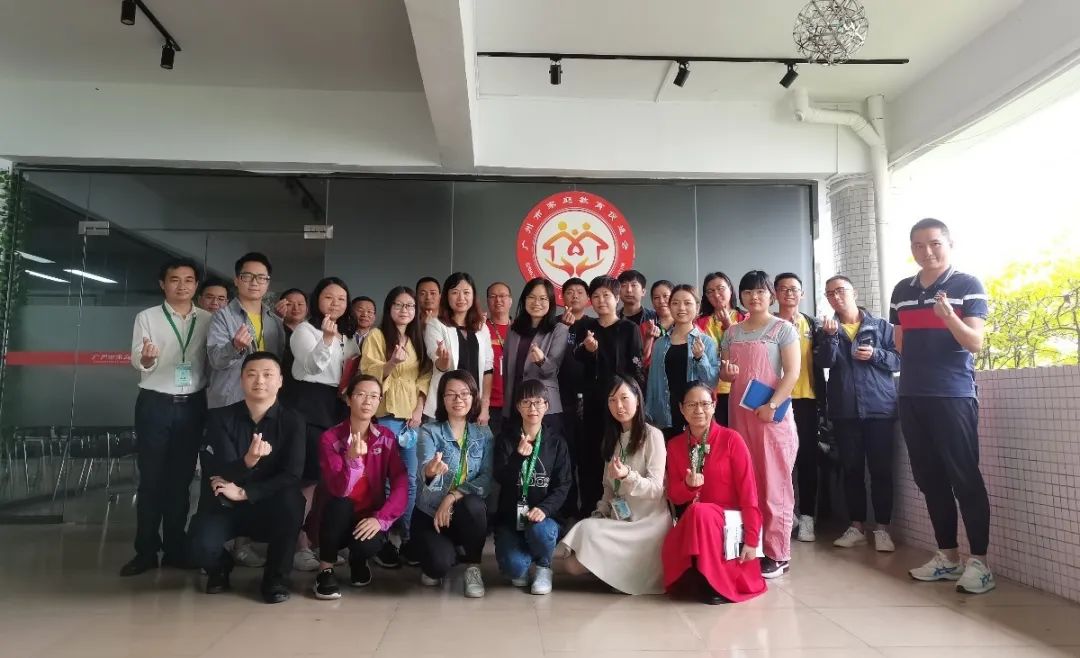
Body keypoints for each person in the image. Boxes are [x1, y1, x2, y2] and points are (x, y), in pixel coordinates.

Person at [890, 218, 994, 594]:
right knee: (929, 478)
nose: (927, 251)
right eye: (918, 245)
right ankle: (948, 557)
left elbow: (975, 343)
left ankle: (979, 564)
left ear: (949, 244)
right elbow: (900, 342)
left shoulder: (967, 285)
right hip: (912, 395)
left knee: (964, 477)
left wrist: (949, 316)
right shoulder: (902, 290)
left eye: (934, 243)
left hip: (953, 395)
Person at [187, 352, 306, 604]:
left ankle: (275, 580)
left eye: (267, 375)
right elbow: (217, 469)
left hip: (270, 505)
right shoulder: (220, 418)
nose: (259, 381)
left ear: (280, 381)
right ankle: (220, 568)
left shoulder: (293, 421)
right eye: (252, 375)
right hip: (226, 506)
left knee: (292, 502)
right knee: (198, 544)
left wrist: (246, 492)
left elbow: (292, 473)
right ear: (241, 380)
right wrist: (248, 461)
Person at [120, 257, 211, 577]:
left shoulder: (207, 319)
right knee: (151, 479)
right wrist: (146, 359)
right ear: (163, 284)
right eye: (174, 279)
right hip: (155, 403)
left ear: (196, 285)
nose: (182, 285)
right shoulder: (147, 317)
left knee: (181, 480)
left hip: (192, 404)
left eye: (188, 280)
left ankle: (175, 548)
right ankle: (145, 551)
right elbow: (138, 359)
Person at [719, 270, 801, 579]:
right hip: (740, 416)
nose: (754, 297)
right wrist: (726, 373)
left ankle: (778, 553)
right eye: (748, 292)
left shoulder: (783, 329)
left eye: (761, 291)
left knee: (774, 485)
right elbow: (725, 374)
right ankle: (752, 546)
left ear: (771, 295)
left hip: (770, 418)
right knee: (745, 482)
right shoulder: (732, 332)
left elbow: (792, 373)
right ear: (740, 296)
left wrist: (772, 405)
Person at [556, 375, 670, 595]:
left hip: (647, 525)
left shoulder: (652, 435)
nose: (619, 406)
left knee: (574, 561)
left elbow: (656, 490)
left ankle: (621, 571)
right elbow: (608, 488)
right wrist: (600, 513)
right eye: (612, 400)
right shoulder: (613, 438)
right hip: (621, 521)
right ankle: (615, 570)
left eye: (624, 398)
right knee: (572, 559)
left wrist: (628, 475)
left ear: (638, 399)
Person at [815, 275, 900, 552]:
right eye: (830, 293)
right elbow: (823, 362)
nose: (836, 297)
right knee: (851, 470)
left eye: (840, 291)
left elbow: (899, 360)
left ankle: (883, 529)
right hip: (845, 410)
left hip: (879, 409)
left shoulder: (881, 326)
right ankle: (857, 527)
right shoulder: (826, 329)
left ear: (854, 292)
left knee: (881, 471)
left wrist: (875, 354)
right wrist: (830, 338)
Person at [662, 382, 766, 604]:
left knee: (700, 513)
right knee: (689, 520)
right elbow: (675, 497)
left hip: (728, 522)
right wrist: (689, 486)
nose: (698, 410)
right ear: (681, 409)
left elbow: (749, 494)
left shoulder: (732, 440)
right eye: (691, 405)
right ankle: (698, 573)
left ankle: (714, 581)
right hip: (696, 522)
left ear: (714, 405)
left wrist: (751, 539)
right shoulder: (675, 446)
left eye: (704, 404)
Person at [312, 374, 408, 600]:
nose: (367, 401)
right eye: (361, 395)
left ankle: (359, 560)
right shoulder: (330, 438)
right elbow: (339, 489)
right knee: (340, 505)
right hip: (335, 517)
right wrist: (352, 459)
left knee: (368, 543)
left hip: (367, 516)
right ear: (348, 399)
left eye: (374, 396)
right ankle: (325, 570)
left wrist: (381, 518)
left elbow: (401, 482)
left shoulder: (386, 437)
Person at [289, 277, 360, 571]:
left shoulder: (348, 336)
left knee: (330, 481)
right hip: (310, 405)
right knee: (308, 478)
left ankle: (319, 541)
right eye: (329, 297)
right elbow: (312, 366)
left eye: (341, 299)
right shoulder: (304, 330)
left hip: (338, 405)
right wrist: (327, 340)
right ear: (317, 299)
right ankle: (296, 545)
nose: (335, 303)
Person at [360, 286, 432, 568]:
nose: (405, 310)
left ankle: (408, 536)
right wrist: (391, 363)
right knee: (386, 481)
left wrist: (419, 409)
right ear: (389, 308)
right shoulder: (377, 336)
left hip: (411, 418)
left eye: (410, 306)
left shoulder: (417, 337)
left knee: (411, 479)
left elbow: (424, 376)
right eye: (399, 305)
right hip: (386, 415)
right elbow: (368, 374)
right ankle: (385, 539)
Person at [413, 370, 495, 597]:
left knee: (474, 505)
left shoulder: (483, 433)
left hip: (463, 514)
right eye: (451, 394)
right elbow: (424, 471)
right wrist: (431, 472)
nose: (458, 399)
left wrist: (452, 496)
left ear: (473, 397)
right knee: (437, 567)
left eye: (464, 393)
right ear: (442, 399)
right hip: (431, 515)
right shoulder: (429, 431)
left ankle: (473, 567)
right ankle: (446, 552)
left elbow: (487, 478)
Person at [573, 275, 645, 515]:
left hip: (621, 404)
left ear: (617, 298)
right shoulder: (585, 327)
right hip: (592, 403)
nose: (601, 300)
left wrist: (635, 401)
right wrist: (588, 350)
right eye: (595, 296)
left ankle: (621, 511)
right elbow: (577, 362)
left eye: (606, 295)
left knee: (619, 453)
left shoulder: (629, 328)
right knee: (590, 456)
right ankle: (591, 510)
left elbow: (636, 369)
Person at [492, 379, 571, 595]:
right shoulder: (506, 439)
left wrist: (545, 509)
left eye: (538, 402)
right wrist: (517, 458)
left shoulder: (557, 443)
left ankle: (544, 566)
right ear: (518, 407)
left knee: (539, 530)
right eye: (526, 402)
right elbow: (500, 477)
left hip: (544, 520)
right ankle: (524, 560)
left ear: (547, 406)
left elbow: (563, 485)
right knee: (515, 569)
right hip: (512, 519)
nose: (532, 408)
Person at [773, 272, 827, 543]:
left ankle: (807, 518)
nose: (789, 293)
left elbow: (825, 360)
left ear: (802, 294)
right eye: (783, 289)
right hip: (776, 400)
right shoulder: (768, 324)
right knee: (778, 461)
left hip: (806, 399)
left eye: (794, 289)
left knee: (806, 459)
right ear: (775, 294)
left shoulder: (813, 325)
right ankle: (785, 515)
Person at [206, 252, 287, 410]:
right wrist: (234, 346)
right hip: (230, 401)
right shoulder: (222, 317)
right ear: (236, 280)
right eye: (247, 276)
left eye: (261, 277)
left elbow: (278, 363)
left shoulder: (274, 321)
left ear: (267, 283)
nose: (254, 282)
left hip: (265, 403)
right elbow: (216, 360)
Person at [645, 285, 719, 437]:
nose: (681, 308)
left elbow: (711, 382)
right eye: (675, 303)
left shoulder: (707, 342)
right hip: (665, 414)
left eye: (687, 303)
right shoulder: (660, 344)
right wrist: (648, 415)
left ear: (697, 307)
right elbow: (653, 383)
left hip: (695, 414)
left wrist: (700, 357)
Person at [423, 272, 494, 426]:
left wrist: (485, 407)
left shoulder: (482, 328)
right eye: (455, 292)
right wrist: (443, 361)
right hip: (445, 405)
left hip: (473, 406)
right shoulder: (436, 325)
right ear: (446, 296)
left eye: (466, 292)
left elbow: (488, 370)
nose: (461, 298)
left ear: (473, 296)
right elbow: (439, 364)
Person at [502, 278, 569, 430]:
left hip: (543, 408)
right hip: (515, 404)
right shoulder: (513, 330)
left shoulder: (559, 330)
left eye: (543, 298)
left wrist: (541, 360)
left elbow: (553, 371)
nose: (536, 302)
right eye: (531, 297)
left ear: (550, 302)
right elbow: (507, 370)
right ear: (524, 300)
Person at [557, 276, 591, 519]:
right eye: (570, 292)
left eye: (580, 292)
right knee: (565, 456)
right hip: (561, 400)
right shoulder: (554, 324)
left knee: (588, 456)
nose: (574, 296)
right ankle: (567, 508)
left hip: (589, 400)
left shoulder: (594, 324)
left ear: (587, 298)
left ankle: (589, 507)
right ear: (562, 297)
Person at [696, 272, 746, 427]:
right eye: (710, 291)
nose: (716, 295)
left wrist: (728, 326)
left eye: (720, 288)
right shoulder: (699, 322)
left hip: (740, 388)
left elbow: (748, 352)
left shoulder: (745, 318)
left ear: (730, 289)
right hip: (711, 390)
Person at [485, 282, 513, 436]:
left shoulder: (519, 329)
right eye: (493, 296)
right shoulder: (480, 328)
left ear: (510, 301)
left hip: (515, 404)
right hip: (488, 405)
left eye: (502, 296)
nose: (498, 300)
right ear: (487, 301)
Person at [642, 279, 675, 367]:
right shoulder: (645, 327)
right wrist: (648, 339)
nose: (661, 301)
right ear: (652, 302)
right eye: (656, 298)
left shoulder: (685, 325)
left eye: (665, 296)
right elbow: (641, 361)